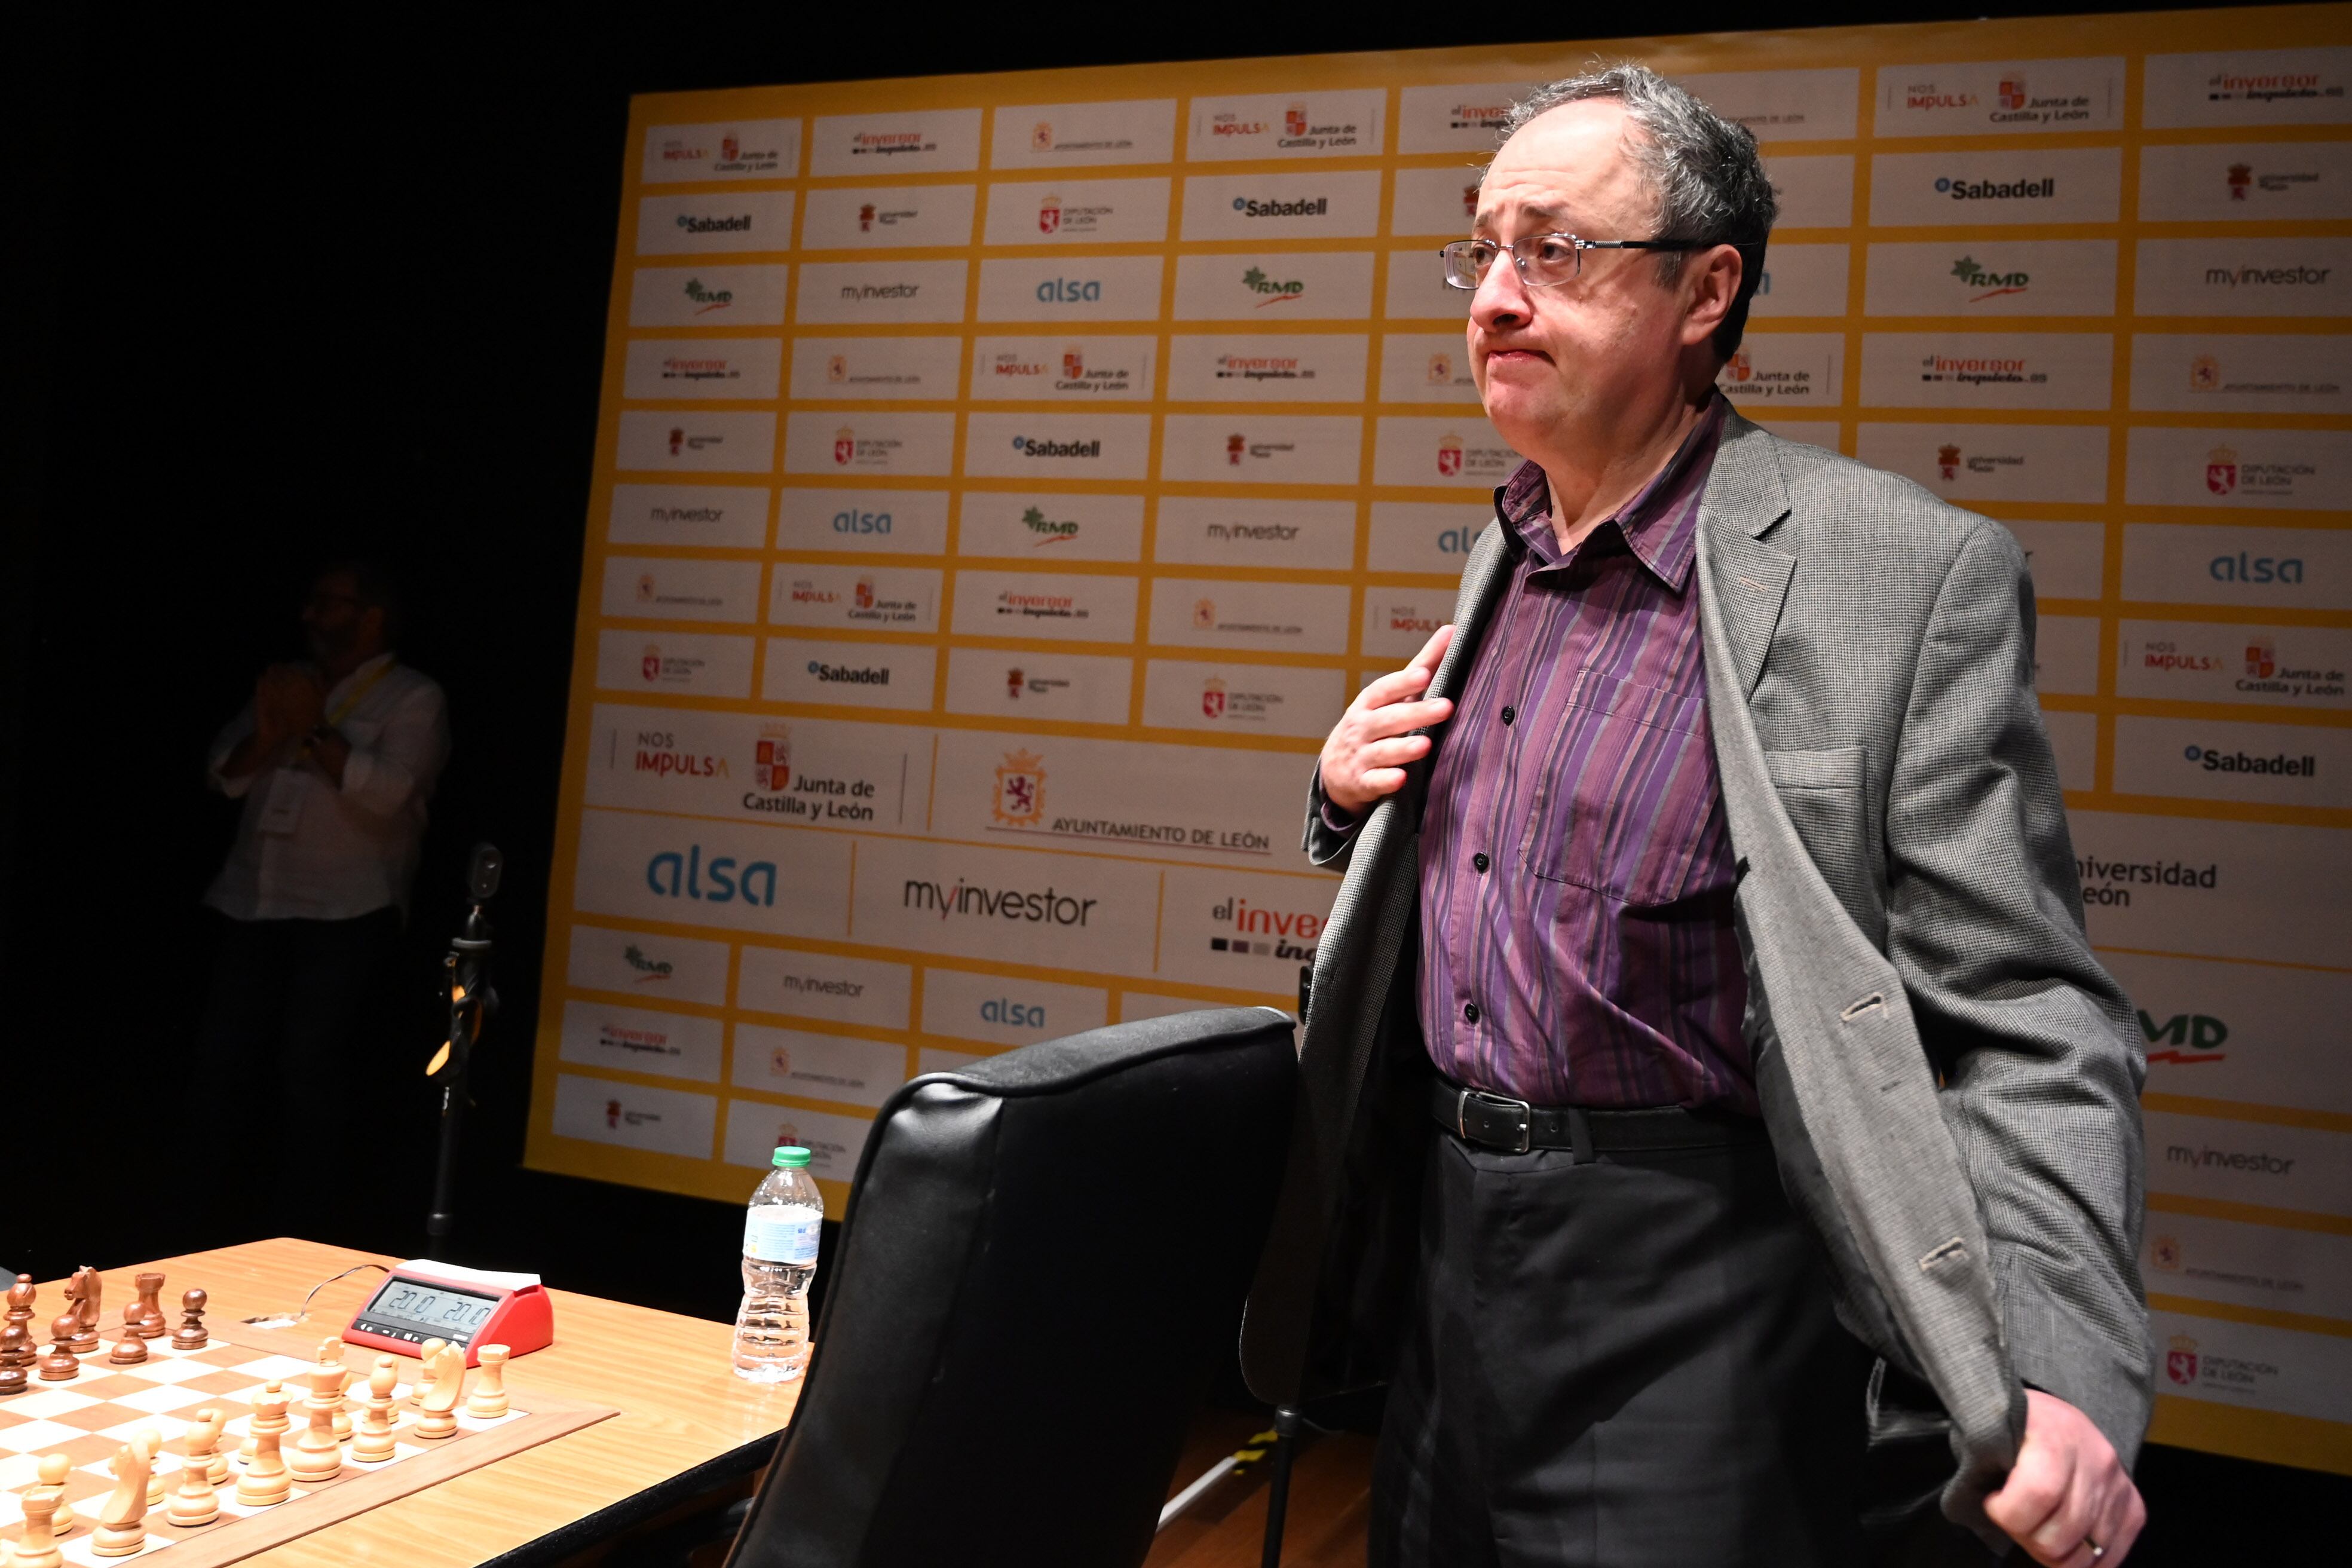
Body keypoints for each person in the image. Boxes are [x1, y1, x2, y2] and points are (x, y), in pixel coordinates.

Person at [1241, 66, 2148, 1568]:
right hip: (1445, 1266)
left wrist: (2056, 1358)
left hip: (1694, 1296)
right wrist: (1342, 799)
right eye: (1481, 250)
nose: (1494, 296)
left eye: (1555, 250)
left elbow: (2031, 1016)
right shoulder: (1509, 545)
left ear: (1705, 289)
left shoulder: (1899, 572)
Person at [197, 562, 451, 1215]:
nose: (310, 615)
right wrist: (276, 728)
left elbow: (389, 794)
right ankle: (209, 1213)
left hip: (344, 909)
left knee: (309, 1074)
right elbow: (224, 776)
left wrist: (312, 730)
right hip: (251, 899)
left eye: (329, 603)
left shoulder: (412, 696)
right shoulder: (289, 683)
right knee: (223, 1069)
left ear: (372, 617)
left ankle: (299, 1223)